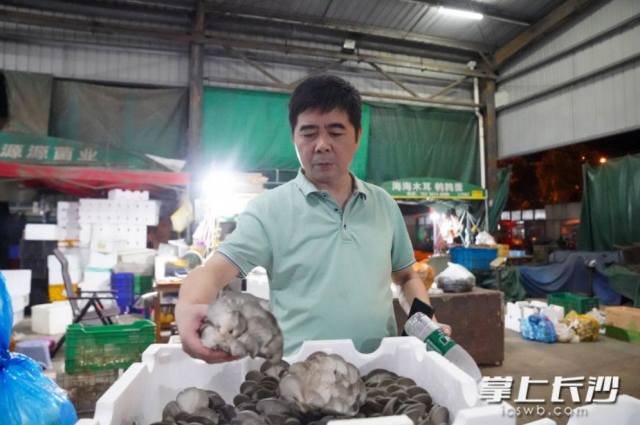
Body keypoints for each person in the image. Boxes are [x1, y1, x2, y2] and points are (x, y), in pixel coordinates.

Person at [176, 75, 450, 363]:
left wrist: (426, 323)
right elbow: (213, 272)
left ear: (357, 136)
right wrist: (190, 304)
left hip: (380, 370)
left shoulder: (383, 205)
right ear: (294, 137)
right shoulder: (268, 211)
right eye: (308, 133)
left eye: (336, 132)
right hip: (296, 374)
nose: (322, 145)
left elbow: (406, 277)